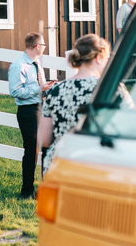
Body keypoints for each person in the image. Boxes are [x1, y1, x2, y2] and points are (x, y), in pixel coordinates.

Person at [38, 34, 110, 175]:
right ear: (98, 58)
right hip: (97, 168)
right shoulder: (110, 89)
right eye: (107, 59)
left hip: (60, 166)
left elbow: (44, 139)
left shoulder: (55, 91)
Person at [9, 32, 55, 198]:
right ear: (37, 46)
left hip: (41, 108)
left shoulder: (37, 63)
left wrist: (46, 87)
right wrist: (38, 89)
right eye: (43, 45)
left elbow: (37, 85)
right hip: (28, 111)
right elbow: (15, 91)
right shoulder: (18, 66)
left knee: (47, 148)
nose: (43, 48)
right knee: (32, 151)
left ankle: (46, 187)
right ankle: (27, 191)